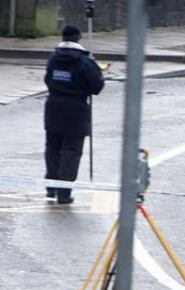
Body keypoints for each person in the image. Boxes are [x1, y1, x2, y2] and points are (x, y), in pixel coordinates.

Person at [44, 25, 104, 205]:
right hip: (76, 110)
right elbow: (96, 87)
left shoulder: (53, 58)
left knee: (52, 148)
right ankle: (64, 193)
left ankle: (50, 187)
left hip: (53, 107)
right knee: (71, 151)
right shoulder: (85, 61)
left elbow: (48, 79)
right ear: (78, 38)